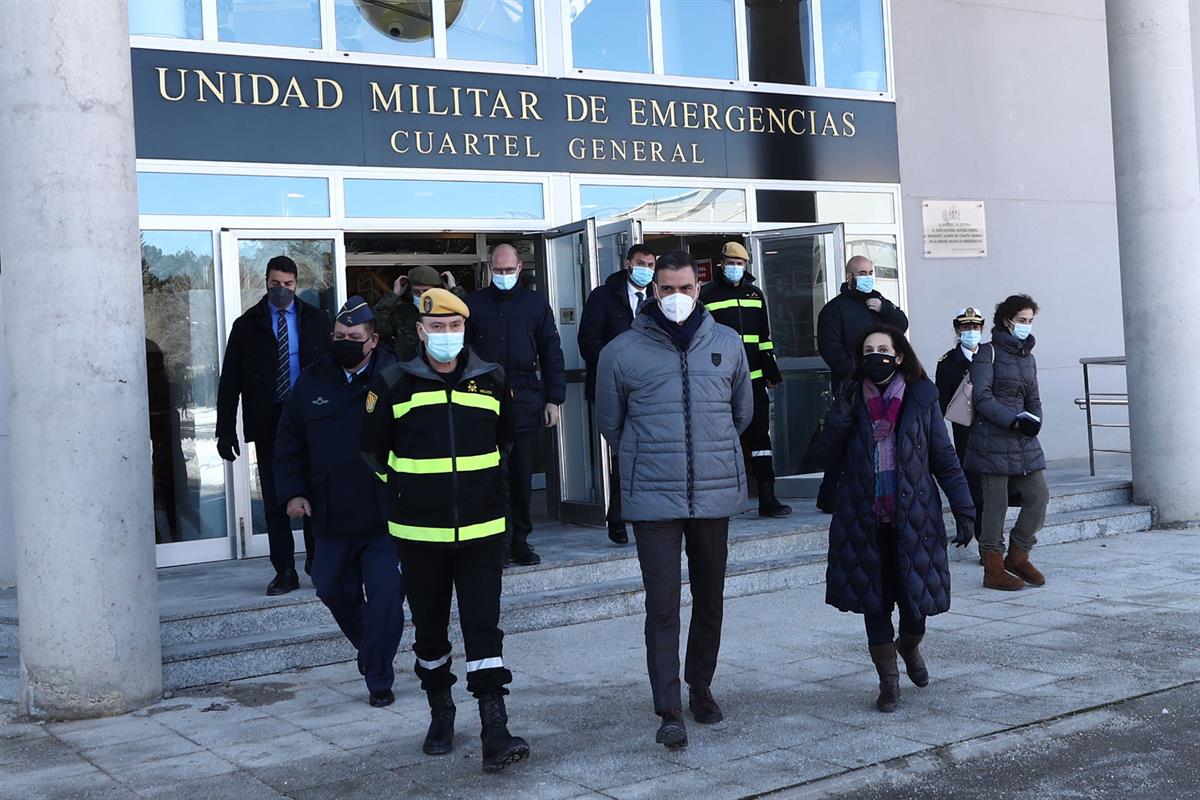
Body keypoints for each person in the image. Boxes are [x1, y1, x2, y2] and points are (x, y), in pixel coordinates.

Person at [360, 288, 529, 773]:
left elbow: (507, 442)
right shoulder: (392, 383)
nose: (446, 336)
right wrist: (409, 492)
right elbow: (373, 453)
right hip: (419, 536)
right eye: (437, 327)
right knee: (430, 634)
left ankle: (495, 728)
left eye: (454, 327)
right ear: (419, 330)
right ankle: (441, 713)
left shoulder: (492, 380)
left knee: (484, 631)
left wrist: (487, 489)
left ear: (465, 330)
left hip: (481, 531)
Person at [595, 250, 752, 750]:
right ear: (652, 291)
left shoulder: (726, 344)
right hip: (652, 499)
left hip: (712, 494)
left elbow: (740, 413)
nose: (677, 298)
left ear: (698, 290)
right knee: (662, 605)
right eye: (667, 289)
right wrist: (648, 457)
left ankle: (700, 687)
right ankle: (668, 707)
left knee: (710, 598)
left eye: (686, 288)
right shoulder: (620, 351)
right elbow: (610, 424)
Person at [811, 325, 975, 713]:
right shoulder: (850, 395)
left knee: (915, 606)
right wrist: (840, 415)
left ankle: (911, 644)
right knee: (875, 602)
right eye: (868, 349)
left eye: (883, 348)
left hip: (913, 519)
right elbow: (823, 455)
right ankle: (888, 682)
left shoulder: (921, 396)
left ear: (899, 355)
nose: (876, 355)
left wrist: (966, 509)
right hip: (862, 519)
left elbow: (944, 458)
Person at [273, 297, 403, 707]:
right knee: (329, 587)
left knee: (385, 598)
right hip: (330, 514)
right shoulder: (311, 382)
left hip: (387, 515)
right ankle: (372, 651)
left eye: (355, 337)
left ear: (373, 340)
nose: (346, 342)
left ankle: (378, 678)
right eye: (340, 336)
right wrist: (294, 492)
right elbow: (289, 443)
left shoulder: (398, 380)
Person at [217, 255, 330, 595]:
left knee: (314, 492)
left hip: (310, 417)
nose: (282, 290)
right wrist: (225, 428)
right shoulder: (247, 324)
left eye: (289, 284)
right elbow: (230, 380)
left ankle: (318, 563)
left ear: (298, 284)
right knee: (277, 497)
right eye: (275, 284)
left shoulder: (315, 319)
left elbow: (331, 369)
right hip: (269, 420)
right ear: (265, 282)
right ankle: (284, 570)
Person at [465, 243, 566, 566]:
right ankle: (496, 541)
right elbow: (462, 353)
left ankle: (520, 539)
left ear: (520, 268)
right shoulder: (474, 305)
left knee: (521, 476)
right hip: (482, 397)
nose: (504, 275)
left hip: (525, 397)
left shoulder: (535, 304)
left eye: (509, 270)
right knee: (489, 475)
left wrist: (554, 399)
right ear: (489, 269)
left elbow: (551, 352)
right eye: (498, 270)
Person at [965, 294, 1050, 592]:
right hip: (992, 439)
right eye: (1021, 321)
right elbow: (982, 397)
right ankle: (993, 568)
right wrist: (1013, 420)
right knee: (995, 505)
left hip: (1024, 441)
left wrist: (1035, 420)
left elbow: (1034, 398)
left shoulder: (1029, 358)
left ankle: (1018, 555)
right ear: (1006, 321)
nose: (1026, 326)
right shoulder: (986, 353)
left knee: (1038, 496)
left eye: (1030, 321)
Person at [700, 241, 791, 517]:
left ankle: (767, 497)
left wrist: (771, 372)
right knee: (720, 439)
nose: (735, 268)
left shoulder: (755, 294)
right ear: (721, 263)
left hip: (754, 380)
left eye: (740, 264)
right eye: (731, 263)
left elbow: (763, 338)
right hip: (720, 381)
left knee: (760, 438)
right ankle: (719, 499)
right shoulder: (707, 295)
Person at [815, 256, 910, 513]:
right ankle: (829, 495)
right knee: (845, 440)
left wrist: (885, 309)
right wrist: (856, 374)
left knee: (884, 437)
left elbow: (901, 325)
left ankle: (879, 491)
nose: (868, 276)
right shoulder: (834, 310)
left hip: (885, 385)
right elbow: (830, 348)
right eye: (862, 272)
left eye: (871, 271)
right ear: (850, 277)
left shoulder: (878, 304)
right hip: (852, 387)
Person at [579, 243, 658, 544]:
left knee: (647, 453)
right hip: (613, 387)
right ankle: (618, 519)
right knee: (623, 454)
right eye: (641, 263)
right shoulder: (604, 296)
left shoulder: (657, 297)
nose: (646, 269)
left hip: (651, 390)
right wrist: (620, 365)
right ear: (628, 263)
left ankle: (644, 515)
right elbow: (588, 341)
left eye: (651, 264)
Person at [934, 307, 987, 545]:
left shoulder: (989, 356)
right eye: (966, 327)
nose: (971, 332)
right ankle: (975, 532)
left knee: (992, 487)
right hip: (965, 430)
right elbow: (942, 402)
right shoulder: (947, 363)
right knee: (971, 482)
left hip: (991, 428)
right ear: (958, 330)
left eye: (975, 327)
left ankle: (991, 537)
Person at [374, 265, 465, 360]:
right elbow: (380, 328)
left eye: (426, 291)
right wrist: (394, 294)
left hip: (441, 365)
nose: (422, 296)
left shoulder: (448, 312)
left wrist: (454, 289)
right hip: (408, 367)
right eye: (416, 292)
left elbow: (469, 314)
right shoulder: (402, 312)